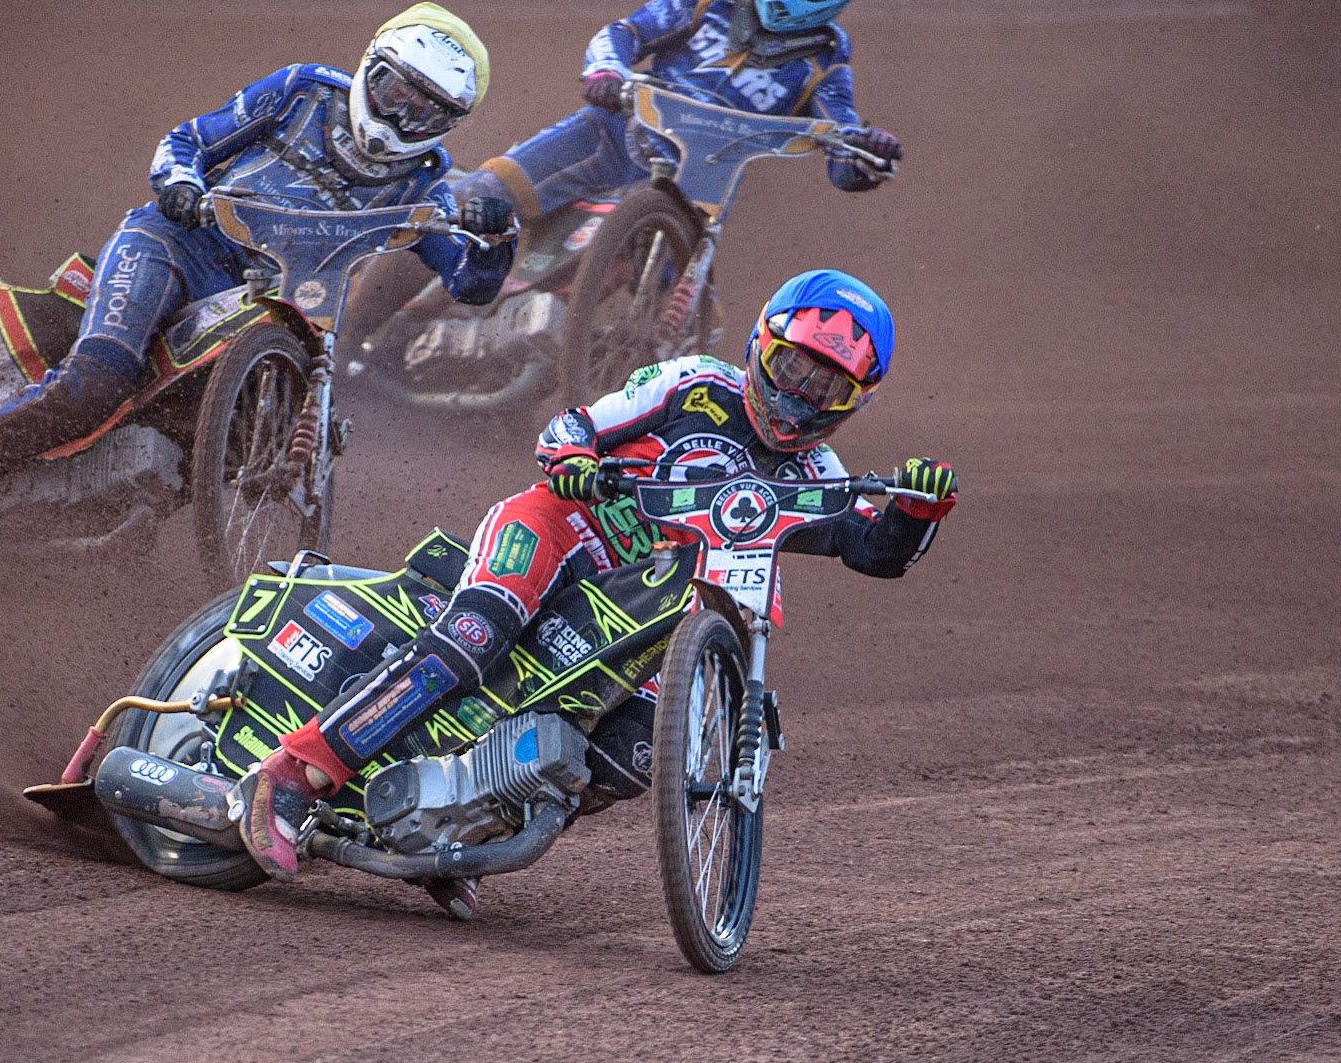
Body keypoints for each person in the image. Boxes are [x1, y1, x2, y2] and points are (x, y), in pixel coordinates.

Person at [235, 269, 959, 915]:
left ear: (854, 400)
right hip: (561, 534)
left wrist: (916, 509)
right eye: (792, 368)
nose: (800, 397)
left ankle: (455, 833)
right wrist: (576, 459)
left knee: (630, 754)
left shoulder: (820, 476)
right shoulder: (692, 387)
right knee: (474, 639)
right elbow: (571, 426)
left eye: (827, 386)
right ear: (758, 346)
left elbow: (875, 548)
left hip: (650, 617)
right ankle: (294, 771)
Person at [0, 3, 517, 517]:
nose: (400, 115)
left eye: (425, 109)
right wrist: (181, 183)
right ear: (367, 69)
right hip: (177, 246)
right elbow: (186, 140)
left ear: (450, 122)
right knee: (96, 385)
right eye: (392, 90)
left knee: (227, 447)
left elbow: (470, 285)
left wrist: (497, 237)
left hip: (278, 303)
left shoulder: (429, 186)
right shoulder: (302, 91)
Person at [455, 0, 902, 223]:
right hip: (616, 132)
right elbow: (626, 32)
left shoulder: (827, 62)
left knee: (673, 315)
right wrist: (608, 70)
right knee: (479, 196)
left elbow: (841, 146)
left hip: (699, 187)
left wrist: (867, 154)